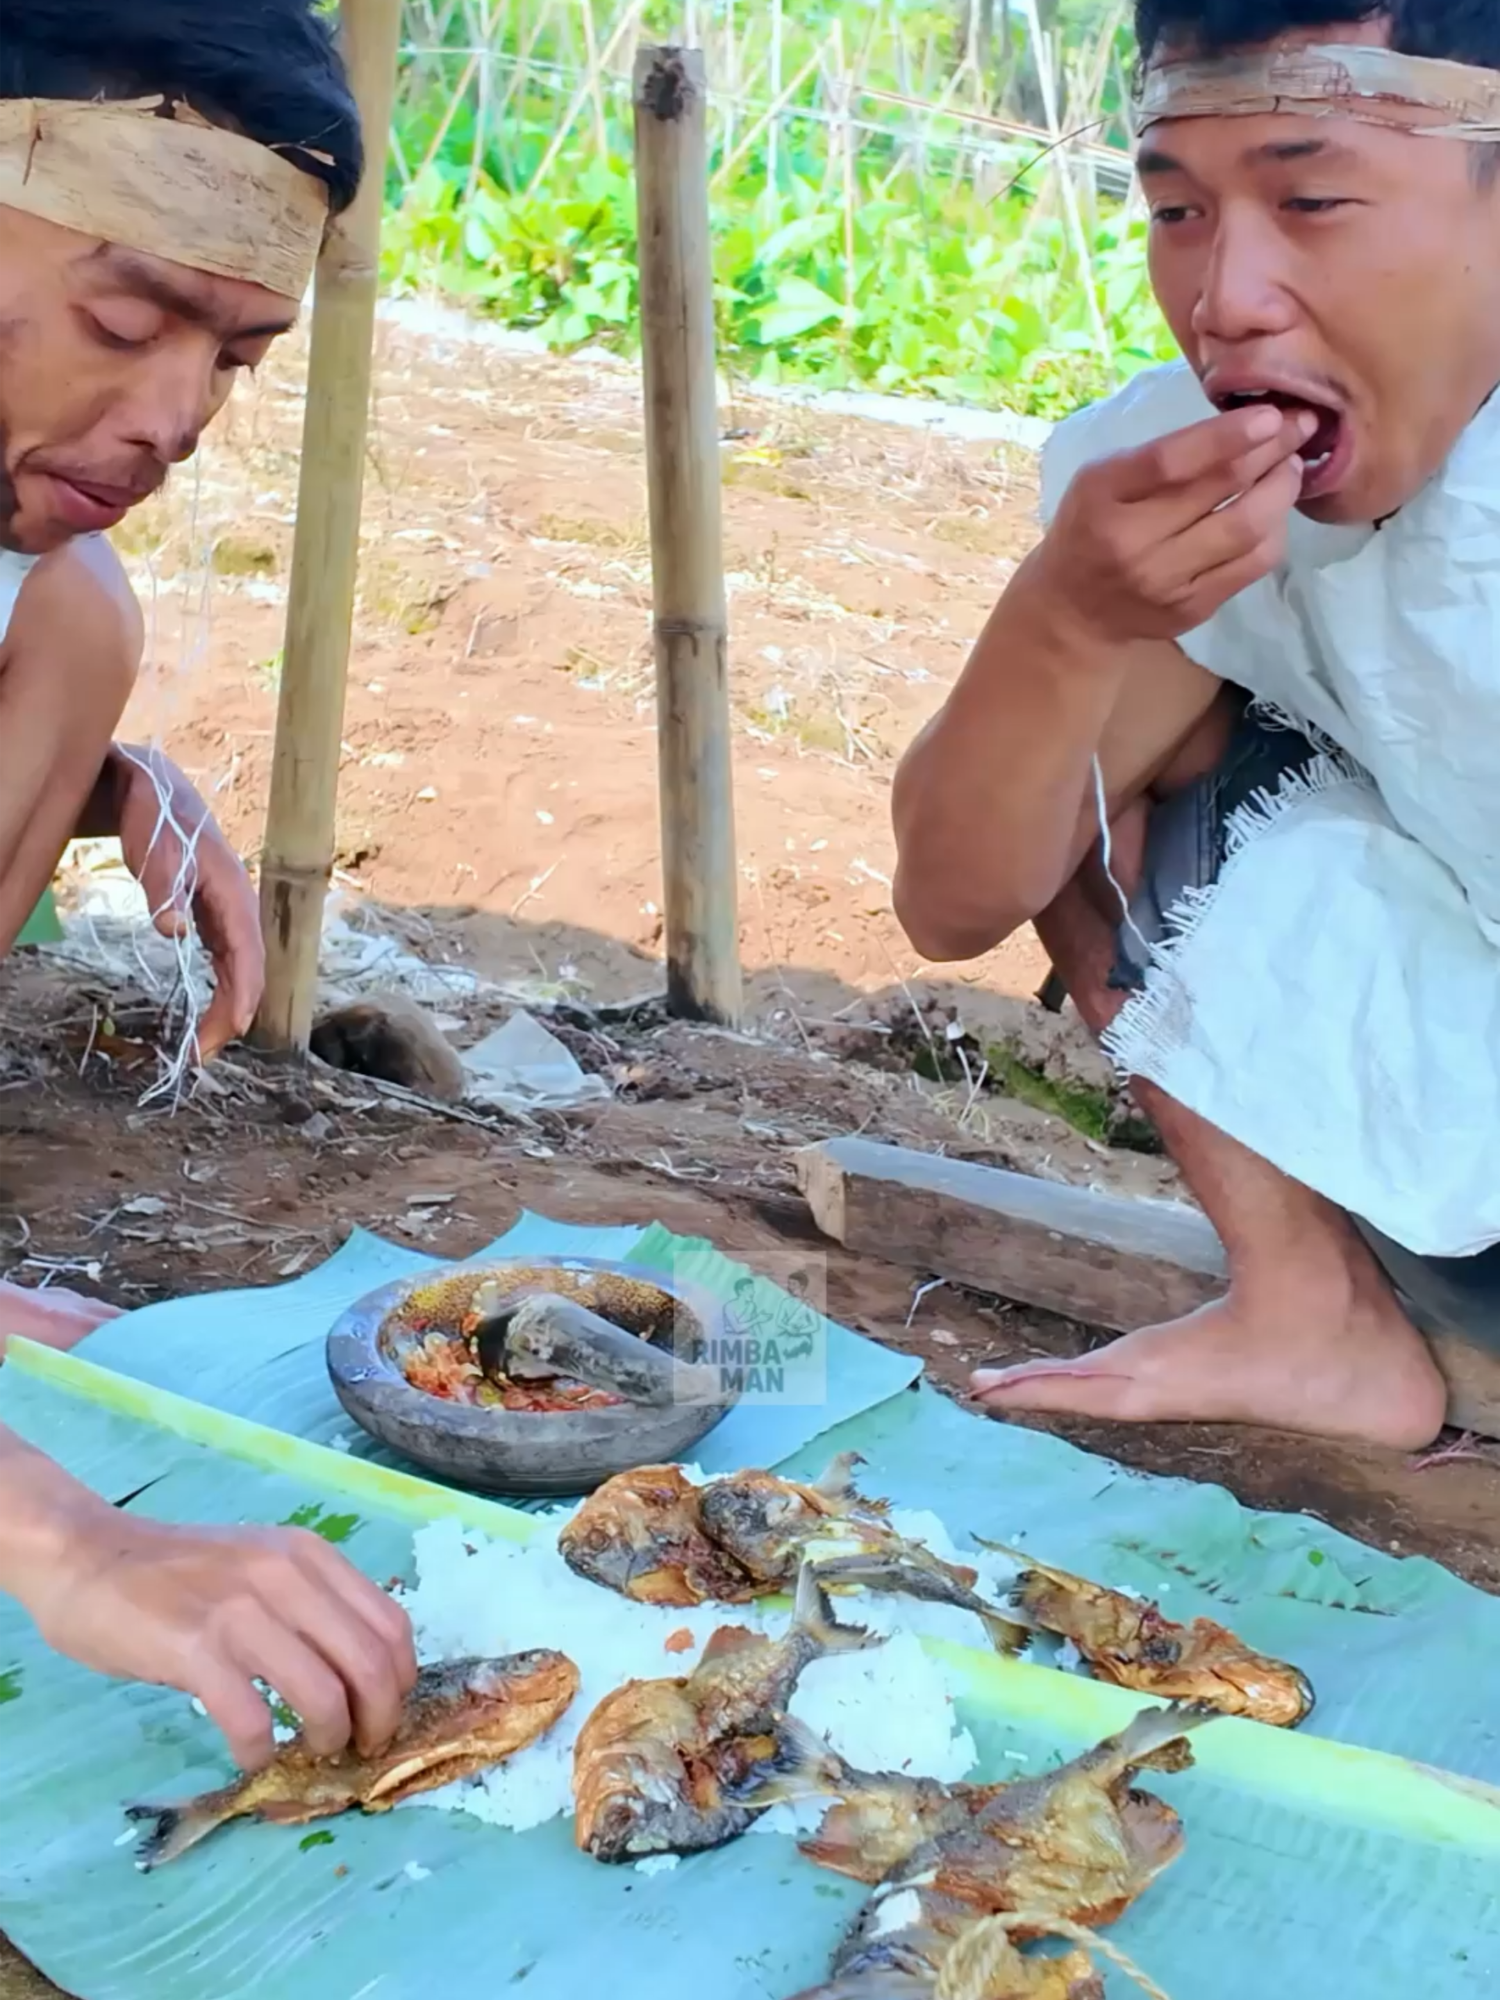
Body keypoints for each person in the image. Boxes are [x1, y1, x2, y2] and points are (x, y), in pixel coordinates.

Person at [892, 2, 1500, 1452]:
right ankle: (1313, 1315)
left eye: (1313, 201)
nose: (1228, 296)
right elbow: (951, 900)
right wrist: (1067, 623)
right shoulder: (1163, 475)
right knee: (1074, 739)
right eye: (1176, 209)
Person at [0, 2, 417, 1774]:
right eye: (125, 318)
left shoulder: (52, 599)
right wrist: (64, 1543)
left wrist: (109, 782)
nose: (175, 417)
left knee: (81, 627)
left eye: (234, 358)